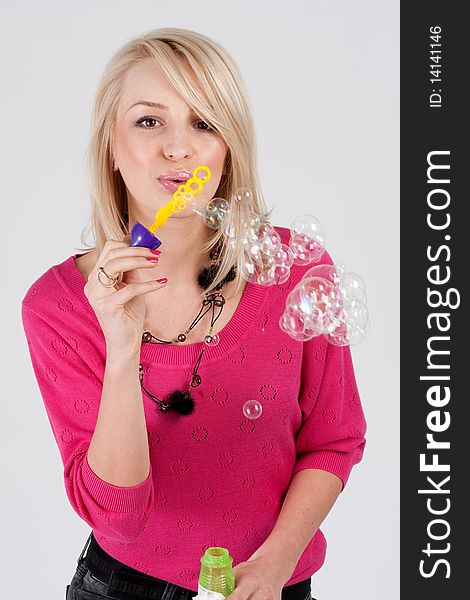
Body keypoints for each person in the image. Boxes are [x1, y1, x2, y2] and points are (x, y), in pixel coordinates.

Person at [21, 27, 367, 600]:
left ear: (227, 146)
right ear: (110, 142)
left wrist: (276, 565)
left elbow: (334, 440)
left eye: (203, 123)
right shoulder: (58, 307)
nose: (177, 149)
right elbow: (117, 516)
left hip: (277, 585)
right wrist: (122, 345)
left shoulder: (294, 271)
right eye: (149, 120)